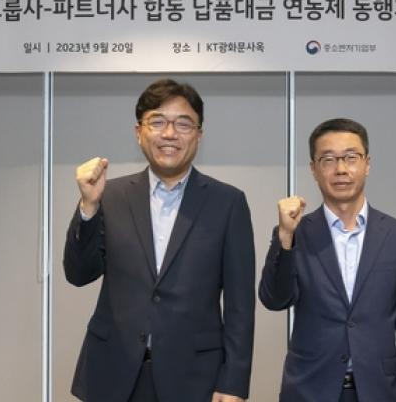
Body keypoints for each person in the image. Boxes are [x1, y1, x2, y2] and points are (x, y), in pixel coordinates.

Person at [63, 79, 256, 402]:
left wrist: (233, 382)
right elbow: (78, 274)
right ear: (139, 132)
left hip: (195, 378)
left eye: (183, 124)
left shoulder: (228, 203)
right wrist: (88, 207)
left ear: (199, 135)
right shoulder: (109, 195)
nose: (170, 134)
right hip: (112, 374)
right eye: (157, 122)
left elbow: (240, 305)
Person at [259, 118, 396, 402]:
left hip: (380, 391)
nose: (341, 169)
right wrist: (285, 237)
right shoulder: (297, 233)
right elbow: (274, 299)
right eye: (328, 159)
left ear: (367, 164)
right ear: (314, 169)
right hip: (309, 391)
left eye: (351, 157)